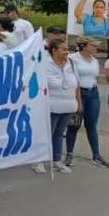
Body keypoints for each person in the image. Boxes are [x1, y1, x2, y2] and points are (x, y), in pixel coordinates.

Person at [32, 38, 80, 175]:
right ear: (54, 50)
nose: (67, 52)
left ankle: (56, 160)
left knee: (59, 134)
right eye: (63, 49)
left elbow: (76, 84)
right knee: (47, 134)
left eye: (67, 49)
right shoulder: (44, 64)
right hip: (51, 106)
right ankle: (38, 160)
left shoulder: (70, 63)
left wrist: (78, 103)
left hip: (69, 105)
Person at [66, 37, 109, 168]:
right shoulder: (72, 58)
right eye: (93, 45)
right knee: (74, 124)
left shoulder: (94, 60)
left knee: (92, 125)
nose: (96, 47)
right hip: (78, 93)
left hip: (93, 93)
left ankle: (96, 155)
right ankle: (69, 154)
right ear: (84, 45)